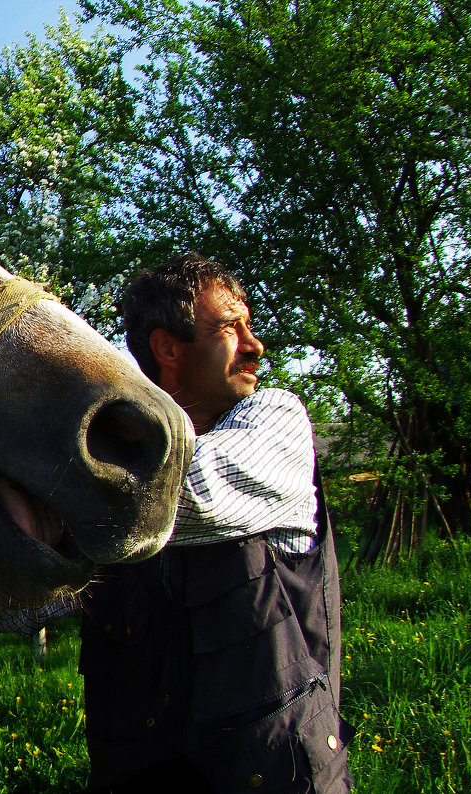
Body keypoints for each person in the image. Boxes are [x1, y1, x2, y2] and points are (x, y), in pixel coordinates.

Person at [77, 252, 353, 792]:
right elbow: (24, 591)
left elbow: (191, 495)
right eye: (231, 327)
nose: (255, 345)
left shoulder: (276, 419)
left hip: (276, 771)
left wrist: (47, 479)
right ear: (168, 348)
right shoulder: (106, 462)